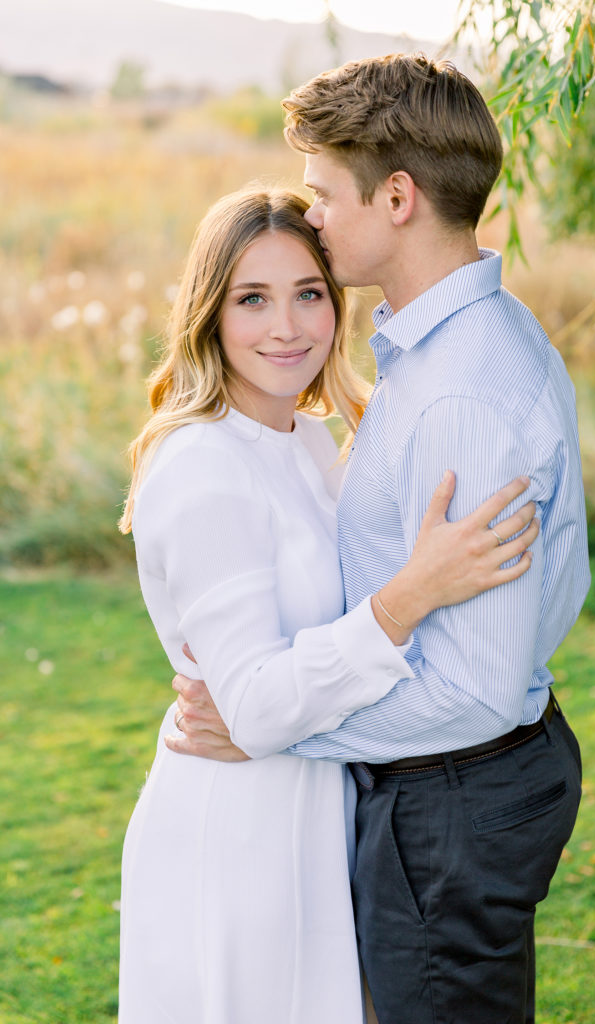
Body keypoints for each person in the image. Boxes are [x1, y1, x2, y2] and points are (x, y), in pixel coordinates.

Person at [171, 54, 590, 1023]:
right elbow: (543, 601)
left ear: (395, 196)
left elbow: (472, 690)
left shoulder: (459, 396)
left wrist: (273, 727)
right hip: (456, 786)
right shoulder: (454, 345)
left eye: (323, 192)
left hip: (444, 806)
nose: (308, 214)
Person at [117, 186, 539, 1023]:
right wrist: (410, 596)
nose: (287, 326)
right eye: (252, 299)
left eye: (308, 293)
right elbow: (258, 706)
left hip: (314, 806)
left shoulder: (304, 438)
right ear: (208, 313)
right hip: (238, 835)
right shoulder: (203, 467)